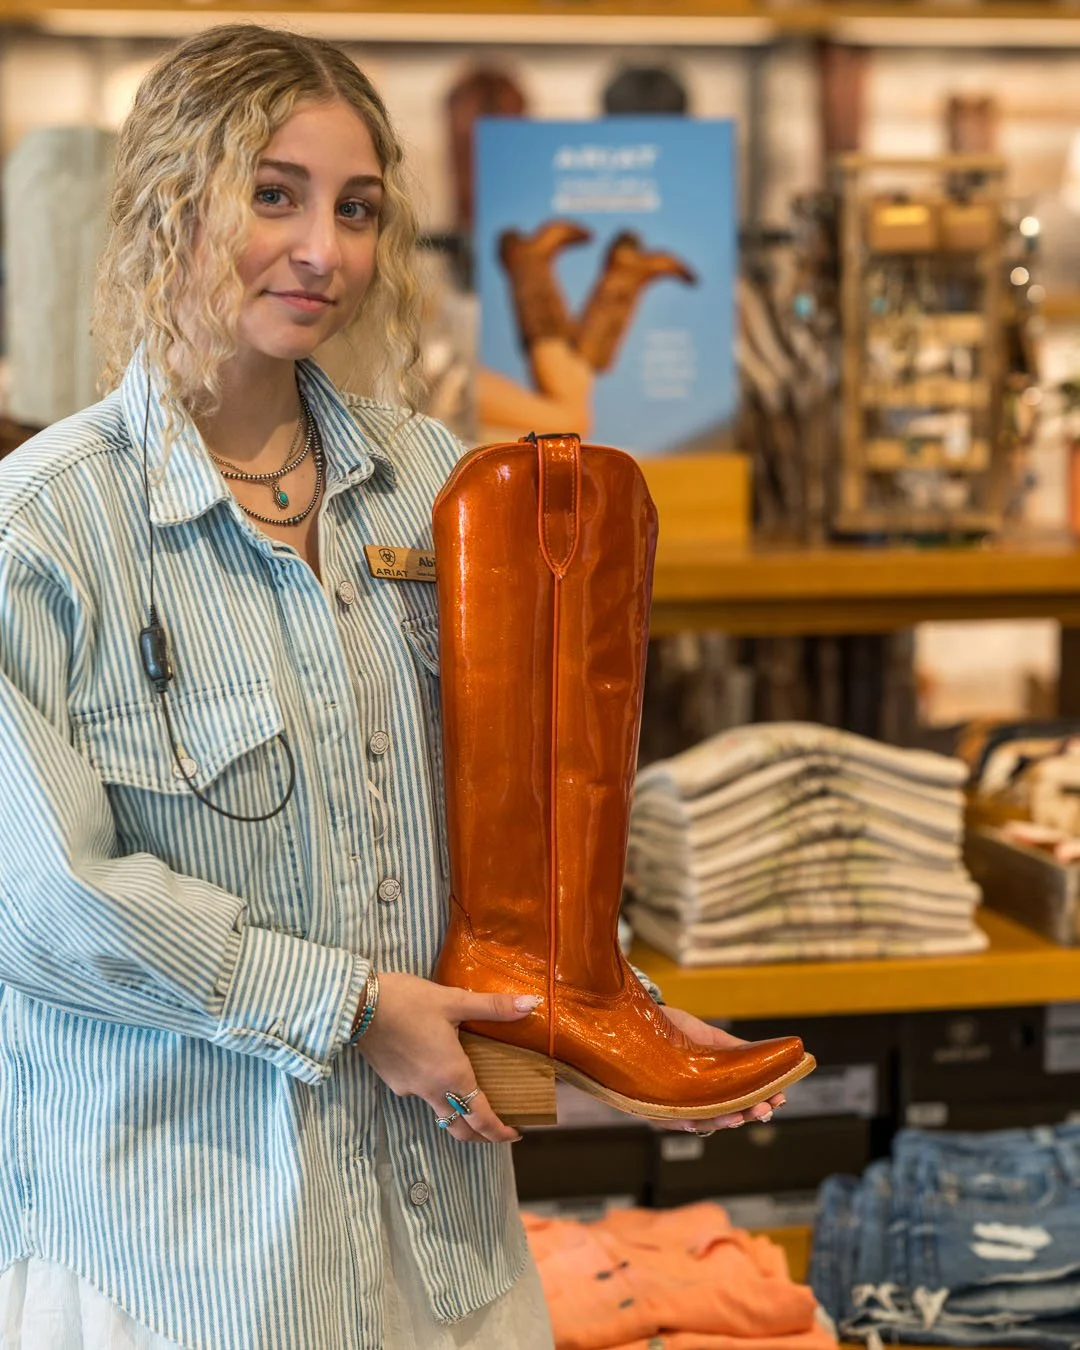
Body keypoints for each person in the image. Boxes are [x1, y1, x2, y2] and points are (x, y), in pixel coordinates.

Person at [0, 24, 782, 1350]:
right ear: (166, 201)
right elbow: (45, 903)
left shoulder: (441, 485)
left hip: (438, 1239)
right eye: (275, 194)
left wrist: (590, 994)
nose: (327, 250)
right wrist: (354, 1009)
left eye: (358, 209)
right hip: (187, 1256)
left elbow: (524, 807)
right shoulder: (48, 529)